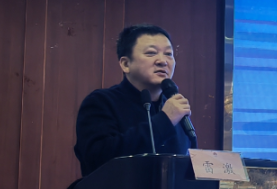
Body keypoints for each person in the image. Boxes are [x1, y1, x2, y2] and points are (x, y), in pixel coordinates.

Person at [74, 24, 194, 176]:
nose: (163, 61)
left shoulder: (175, 109)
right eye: (151, 53)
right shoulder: (101, 102)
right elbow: (99, 158)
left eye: (168, 54)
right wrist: (164, 121)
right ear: (126, 64)